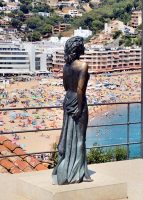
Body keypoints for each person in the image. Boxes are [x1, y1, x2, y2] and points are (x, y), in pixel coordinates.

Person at [52, 36, 92, 185]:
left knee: (68, 133)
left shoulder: (66, 66)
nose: (85, 49)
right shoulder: (83, 65)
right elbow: (81, 89)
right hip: (78, 100)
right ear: (78, 49)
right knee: (80, 137)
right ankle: (78, 172)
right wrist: (80, 107)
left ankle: (67, 168)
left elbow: (65, 86)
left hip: (67, 98)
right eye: (83, 46)